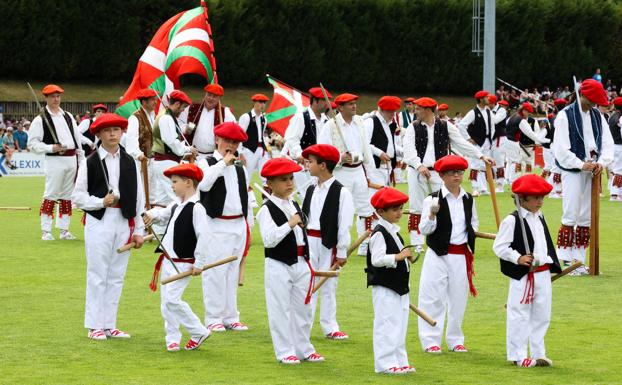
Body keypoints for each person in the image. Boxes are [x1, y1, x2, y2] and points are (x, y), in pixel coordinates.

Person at [71, 113, 145, 340]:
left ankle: (109, 324)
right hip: (99, 220)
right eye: (107, 130)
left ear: (122, 133)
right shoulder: (90, 162)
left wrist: (139, 230)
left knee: (116, 275)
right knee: (98, 273)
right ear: (99, 134)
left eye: (116, 130)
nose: (113, 134)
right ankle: (94, 325)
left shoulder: (130, 161)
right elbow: (77, 197)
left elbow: (139, 197)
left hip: (124, 220)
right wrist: (99, 202)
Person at [256, 157, 325, 364]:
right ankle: (285, 351)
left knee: (303, 309)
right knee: (280, 309)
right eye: (283, 179)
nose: (289, 183)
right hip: (279, 263)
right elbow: (269, 240)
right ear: (270, 184)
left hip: (301, 261)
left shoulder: (294, 202)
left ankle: (304, 348)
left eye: (291, 178)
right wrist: (291, 223)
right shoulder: (266, 210)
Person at [403, 97, 490, 252]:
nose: (415, 111)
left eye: (418, 109)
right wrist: (418, 165)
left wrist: (480, 155)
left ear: (428, 110)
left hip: (439, 172)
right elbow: (408, 149)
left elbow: (461, 143)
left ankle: (443, 235)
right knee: (416, 207)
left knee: (442, 204)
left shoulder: (445, 125)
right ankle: (417, 243)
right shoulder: (412, 127)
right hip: (417, 171)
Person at [493, 174, 562, 368]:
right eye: (535, 198)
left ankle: (539, 352)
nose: (540, 201)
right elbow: (499, 247)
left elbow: (544, 244)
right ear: (522, 198)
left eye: (542, 197)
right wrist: (518, 258)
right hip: (524, 275)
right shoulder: (512, 220)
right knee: (519, 313)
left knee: (542, 314)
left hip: (542, 272)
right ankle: (518, 354)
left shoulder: (540, 217)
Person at [143, 163, 211, 352]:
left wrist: (200, 263)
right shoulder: (176, 204)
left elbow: (204, 237)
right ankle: (172, 337)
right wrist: (150, 214)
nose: (171, 186)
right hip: (168, 260)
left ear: (188, 182)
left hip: (184, 263)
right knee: (166, 303)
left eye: (174, 182)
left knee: (172, 299)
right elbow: (162, 214)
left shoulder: (197, 208)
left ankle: (198, 331)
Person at [417, 155, 479, 354]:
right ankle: (430, 340)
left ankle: (455, 340)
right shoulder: (432, 199)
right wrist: (432, 215)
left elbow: (473, 223)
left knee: (458, 298)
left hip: (460, 255)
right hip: (438, 254)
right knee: (432, 297)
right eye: (452, 173)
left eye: (460, 172)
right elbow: (424, 229)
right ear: (442, 175)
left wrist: (469, 242)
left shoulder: (468, 199)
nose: (457, 176)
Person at [553, 79, 614, 274]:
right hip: (572, 171)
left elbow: (607, 143)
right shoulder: (564, 116)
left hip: (593, 171)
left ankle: (579, 260)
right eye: (594, 99)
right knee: (571, 213)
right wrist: (580, 164)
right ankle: (564, 260)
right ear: (584, 96)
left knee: (586, 217)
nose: (597, 104)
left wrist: (602, 162)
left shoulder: (598, 116)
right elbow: (561, 149)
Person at [197, 122, 251, 332]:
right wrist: (222, 164)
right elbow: (203, 185)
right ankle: (213, 317)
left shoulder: (241, 168)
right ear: (217, 140)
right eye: (227, 141)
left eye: (235, 142)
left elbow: (244, 196)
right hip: (217, 224)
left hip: (237, 223)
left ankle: (231, 315)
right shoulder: (207, 163)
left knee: (231, 272)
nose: (231, 146)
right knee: (215, 272)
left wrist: (248, 226)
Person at [301, 144, 354, 340]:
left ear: (323, 165)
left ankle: (329, 326)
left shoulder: (342, 192)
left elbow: (344, 224)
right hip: (309, 242)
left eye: (311, 162)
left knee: (328, 285)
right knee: (307, 282)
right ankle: (303, 323)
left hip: (327, 242)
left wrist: (341, 251)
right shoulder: (310, 189)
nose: (307, 164)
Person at [318, 93, 376, 256]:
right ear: (340, 108)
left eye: (355, 103)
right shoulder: (330, 126)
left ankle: (365, 245)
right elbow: (322, 151)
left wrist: (368, 171)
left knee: (365, 207)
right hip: (341, 171)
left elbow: (365, 145)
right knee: (342, 208)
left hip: (358, 170)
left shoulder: (359, 122)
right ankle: (339, 243)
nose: (354, 106)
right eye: (350, 104)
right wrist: (339, 158)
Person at [366, 187, 415, 375]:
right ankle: (385, 363)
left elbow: (397, 254)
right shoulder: (379, 232)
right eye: (394, 209)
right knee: (386, 325)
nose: (399, 213)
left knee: (399, 326)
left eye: (401, 208)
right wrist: (398, 257)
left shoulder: (394, 231)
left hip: (400, 287)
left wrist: (404, 257)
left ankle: (400, 360)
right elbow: (376, 259)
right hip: (385, 287)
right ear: (380, 212)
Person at [28, 84, 84, 241]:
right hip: (54, 160)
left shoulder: (68, 116)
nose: (56, 99)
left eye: (58, 96)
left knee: (67, 196)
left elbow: (77, 139)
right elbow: (32, 144)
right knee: (51, 194)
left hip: (71, 158)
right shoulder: (40, 119)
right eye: (52, 96)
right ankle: (46, 230)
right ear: (46, 98)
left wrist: (81, 159)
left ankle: (64, 230)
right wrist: (51, 147)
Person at [151, 90, 198, 209]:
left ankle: (158, 227)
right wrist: (189, 149)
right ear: (177, 104)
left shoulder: (166, 116)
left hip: (163, 162)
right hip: (166, 162)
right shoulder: (166, 118)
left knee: (162, 200)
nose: (183, 111)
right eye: (183, 107)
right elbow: (172, 142)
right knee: (177, 197)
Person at [283, 87, 330, 198]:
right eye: (324, 100)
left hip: (321, 166)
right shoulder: (301, 117)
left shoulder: (327, 121)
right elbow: (291, 138)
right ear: (315, 101)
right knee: (307, 197)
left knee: (320, 196)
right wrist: (300, 154)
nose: (327, 103)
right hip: (304, 166)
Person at [185, 84, 236, 161]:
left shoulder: (225, 112)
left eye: (215, 96)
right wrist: (185, 128)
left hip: (213, 157)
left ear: (219, 98)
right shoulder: (193, 108)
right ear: (205, 94)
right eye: (209, 95)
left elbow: (234, 132)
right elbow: (179, 122)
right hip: (192, 155)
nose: (211, 98)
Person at [126, 88, 158, 208]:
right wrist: (139, 155)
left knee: (153, 193)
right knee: (141, 193)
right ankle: (141, 220)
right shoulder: (135, 118)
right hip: (140, 161)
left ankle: (151, 221)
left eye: (155, 99)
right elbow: (131, 143)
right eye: (152, 100)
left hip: (154, 160)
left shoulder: (155, 116)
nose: (155, 102)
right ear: (144, 102)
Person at [458, 90, 493, 196]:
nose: (489, 99)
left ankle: (483, 188)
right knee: (475, 164)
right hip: (477, 142)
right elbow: (462, 125)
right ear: (481, 99)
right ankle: (475, 188)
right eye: (486, 97)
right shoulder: (473, 112)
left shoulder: (488, 111)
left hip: (486, 141)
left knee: (484, 164)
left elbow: (491, 126)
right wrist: (468, 138)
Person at [504, 103, 549, 184]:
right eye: (528, 112)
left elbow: (506, 128)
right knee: (516, 162)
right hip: (514, 142)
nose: (528, 115)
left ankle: (509, 180)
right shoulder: (522, 121)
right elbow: (531, 134)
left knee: (511, 161)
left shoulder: (512, 116)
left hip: (507, 141)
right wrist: (546, 140)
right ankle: (513, 182)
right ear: (524, 111)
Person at [365, 96, 402, 188]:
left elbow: (391, 146)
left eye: (394, 111)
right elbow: (364, 144)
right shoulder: (370, 122)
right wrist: (379, 153)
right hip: (375, 169)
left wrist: (404, 152)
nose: (393, 114)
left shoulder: (389, 124)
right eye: (390, 111)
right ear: (381, 109)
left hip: (388, 168)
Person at [239, 93, 270, 183]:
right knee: (246, 176)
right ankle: (243, 195)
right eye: (260, 102)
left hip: (262, 150)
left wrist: (266, 149)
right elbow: (240, 136)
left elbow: (261, 136)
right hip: (249, 150)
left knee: (266, 175)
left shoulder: (264, 119)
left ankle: (268, 195)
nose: (262, 105)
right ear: (254, 103)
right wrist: (240, 153)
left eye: (264, 102)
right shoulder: (246, 117)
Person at [489, 96, 509, 192]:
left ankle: (500, 185)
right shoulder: (489, 110)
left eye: (488, 104)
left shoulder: (502, 111)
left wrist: (488, 112)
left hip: (499, 138)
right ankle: (496, 181)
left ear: (492, 103)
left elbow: (495, 121)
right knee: (492, 162)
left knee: (499, 161)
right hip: (492, 139)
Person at [607, 97, 622, 201]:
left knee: (617, 169)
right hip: (620, 145)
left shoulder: (611, 117)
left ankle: (615, 193)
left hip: (614, 145)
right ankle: (615, 194)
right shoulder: (620, 118)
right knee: (619, 170)